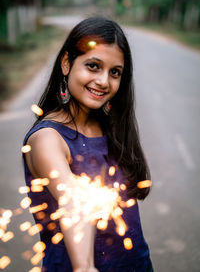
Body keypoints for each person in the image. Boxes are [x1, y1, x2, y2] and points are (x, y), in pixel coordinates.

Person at [23, 16, 154, 272]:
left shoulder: (109, 127)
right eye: (93, 66)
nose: (104, 81)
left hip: (135, 264)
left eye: (114, 72)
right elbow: (72, 200)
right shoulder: (47, 138)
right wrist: (85, 267)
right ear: (66, 64)